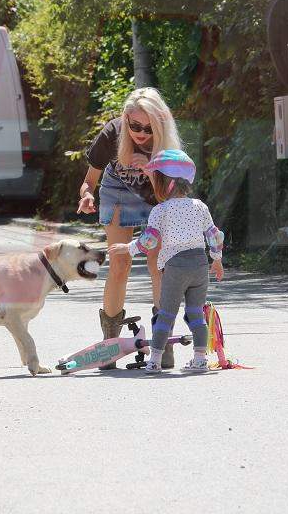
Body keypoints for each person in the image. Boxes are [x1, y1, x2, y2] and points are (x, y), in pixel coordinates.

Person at [78, 88, 182, 367]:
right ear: (125, 119)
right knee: (119, 263)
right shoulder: (112, 133)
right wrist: (86, 195)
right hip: (116, 193)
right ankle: (110, 342)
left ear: (159, 122)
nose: (140, 133)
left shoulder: (168, 147)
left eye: (148, 128)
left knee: (158, 262)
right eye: (134, 125)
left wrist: (151, 169)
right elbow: (89, 181)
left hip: (156, 196)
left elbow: (173, 197)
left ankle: (163, 342)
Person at [108, 149, 224, 373]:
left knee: (166, 315)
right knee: (196, 313)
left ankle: (155, 361)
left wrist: (128, 248)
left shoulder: (160, 210)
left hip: (176, 266)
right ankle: (200, 359)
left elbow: (149, 240)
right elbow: (214, 235)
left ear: (165, 183)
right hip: (200, 265)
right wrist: (216, 260)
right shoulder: (200, 206)